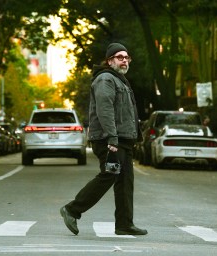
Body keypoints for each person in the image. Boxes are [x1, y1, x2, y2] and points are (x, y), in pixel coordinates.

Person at [60, 43, 147, 236]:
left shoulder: (120, 80)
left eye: (126, 57)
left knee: (125, 181)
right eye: (119, 57)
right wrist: (112, 138)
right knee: (109, 175)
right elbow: (105, 109)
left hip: (123, 139)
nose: (124, 60)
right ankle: (72, 209)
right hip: (109, 140)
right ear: (109, 61)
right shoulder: (106, 79)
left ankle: (124, 224)